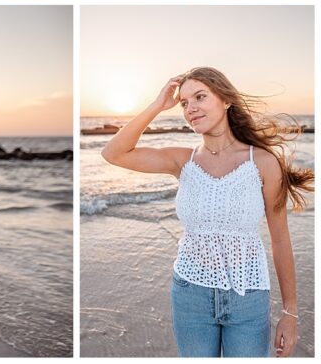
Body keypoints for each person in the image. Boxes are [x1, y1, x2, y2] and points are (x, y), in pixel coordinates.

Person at [102, 67, 313, 358]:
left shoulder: (262, 162)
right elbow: (113, 153)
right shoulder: (181, 160)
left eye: (200, 97)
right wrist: (157, 105)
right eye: (185, 103)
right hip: (190, 295)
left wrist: (290, 313)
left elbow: (280, 239)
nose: (191, 109)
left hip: (248, 295)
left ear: (226, 100)